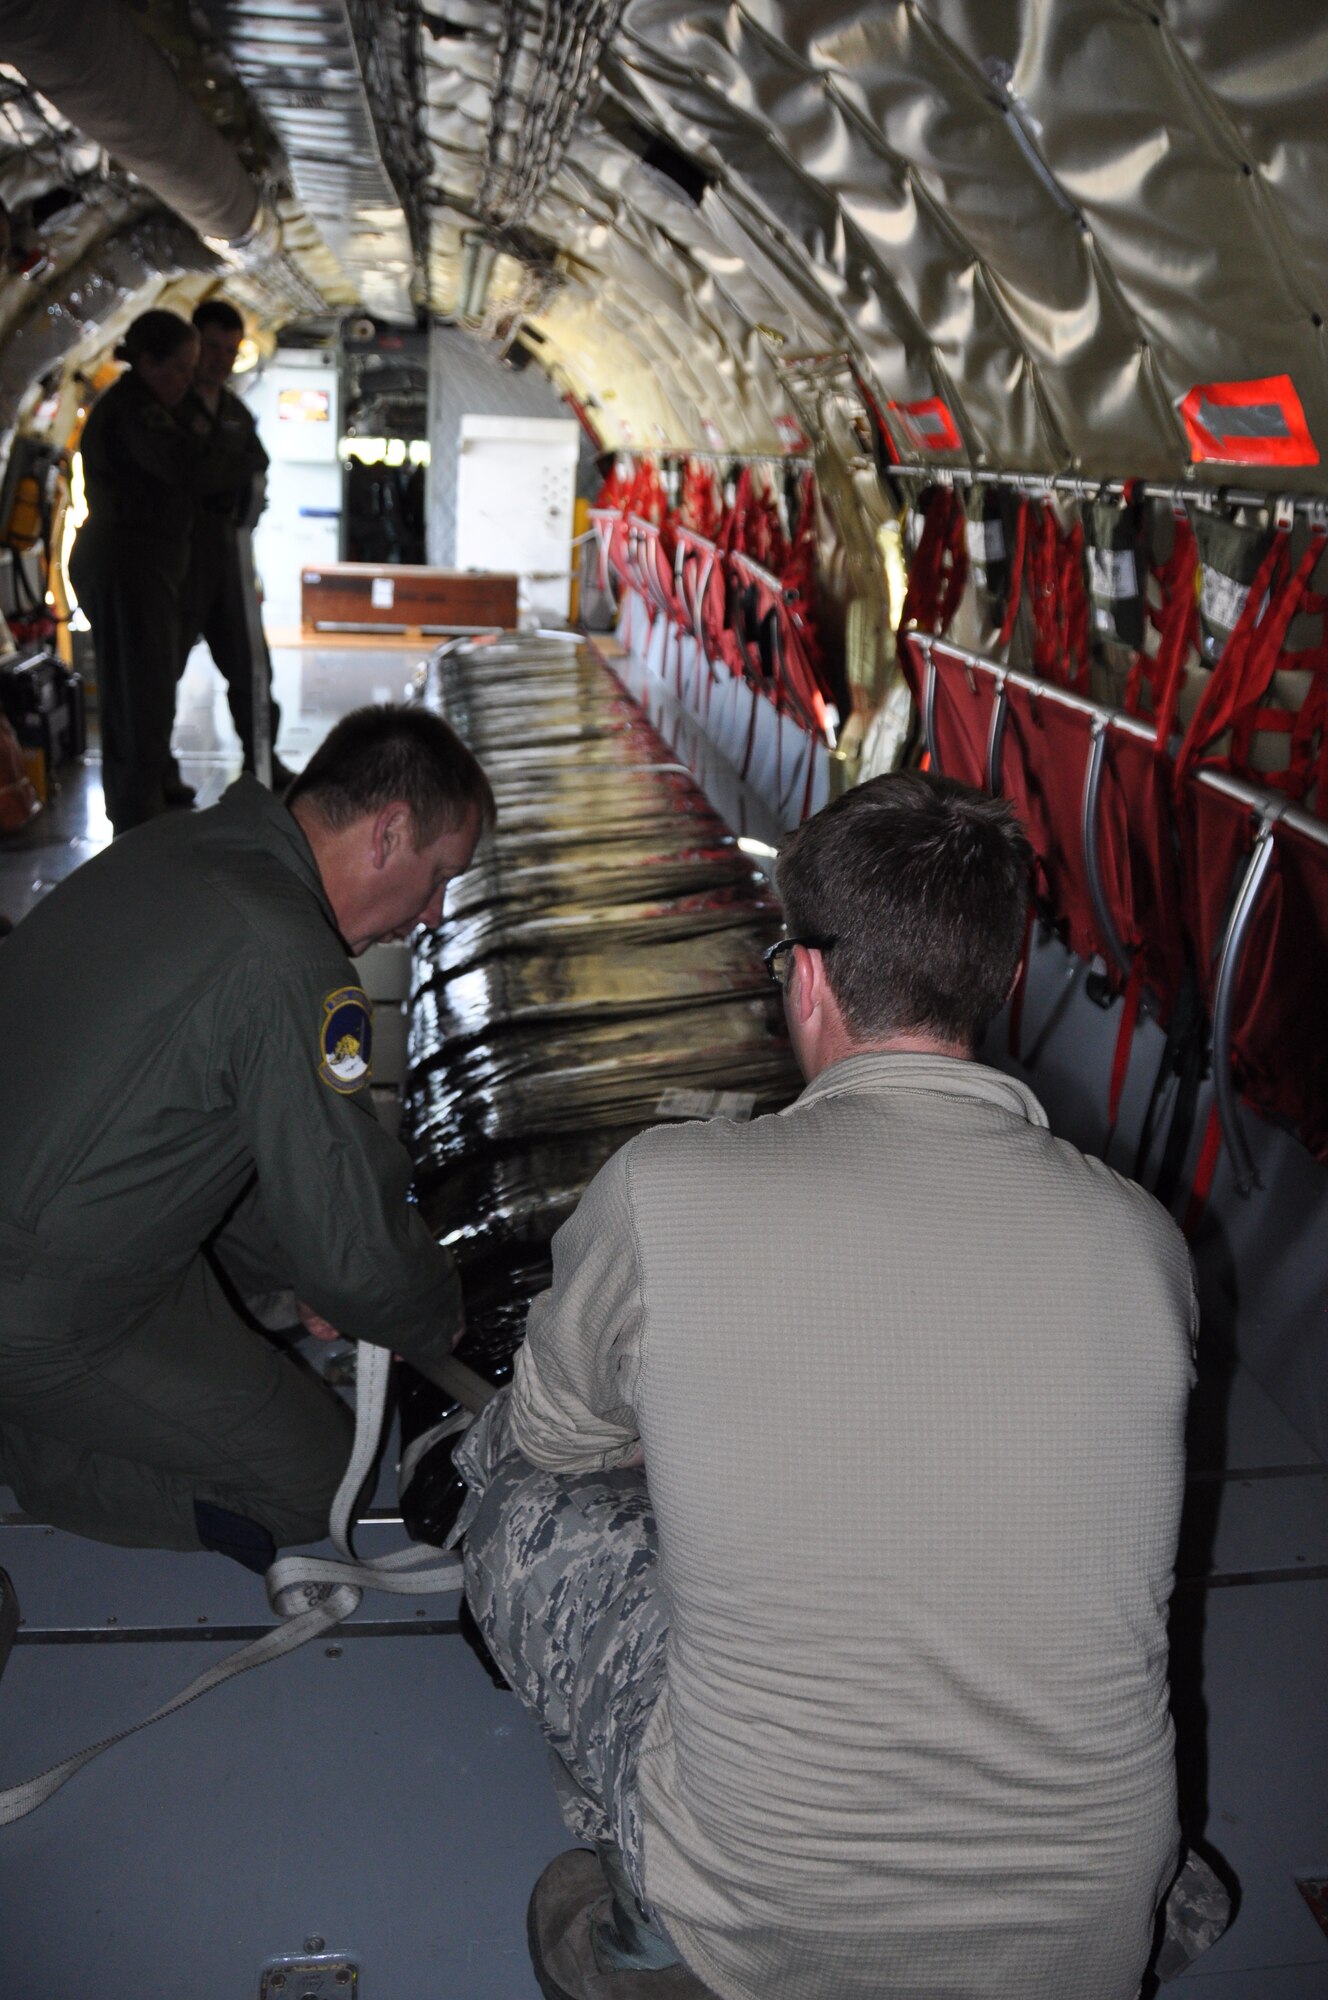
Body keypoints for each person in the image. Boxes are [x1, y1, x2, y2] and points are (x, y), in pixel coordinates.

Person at [452, 771, 1199, 2000]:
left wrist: (677, 1431)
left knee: (515, 1487)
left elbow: (548, 1434)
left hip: (766, 1923)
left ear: (804, 977)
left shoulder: (668, 1188)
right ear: (1001, 982)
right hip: (1086, 1940)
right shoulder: (1144, 1241)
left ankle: (654, 1927)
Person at [0, 704, 493, 1570]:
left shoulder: (177, 848)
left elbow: (188, 1128)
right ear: (390, 832)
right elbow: (356, 1247)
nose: (433, 913)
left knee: (285, 1271)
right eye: (440, 874)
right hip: (43, 1303)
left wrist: (313, 1269)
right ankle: (23, 1443)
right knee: (319, 1480)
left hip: (51, 1208)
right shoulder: (291, 962)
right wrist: (430, 1315)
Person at [68, 309, 252, 836]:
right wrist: (235, 460)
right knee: (137, 693)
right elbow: (190, 469)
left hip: (152, 565)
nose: (188, 381)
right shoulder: (136, 412)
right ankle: (134, 815)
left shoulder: (155, 406)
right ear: (146, 362)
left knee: (150, 688)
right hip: (129, 564)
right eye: (180, 369)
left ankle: (147, 793)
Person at [174, 298, 293, 797]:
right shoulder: (166, 407)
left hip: (227, 554)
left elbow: (257, 471)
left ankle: (262, 761)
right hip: (176, 560)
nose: (220, 360)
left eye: (230, 349)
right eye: (212, 347)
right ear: (192, 346)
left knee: (251, 667)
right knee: (160, 670)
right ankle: (157, 773)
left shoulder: (237, 416)